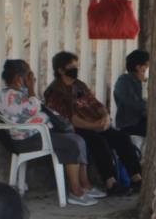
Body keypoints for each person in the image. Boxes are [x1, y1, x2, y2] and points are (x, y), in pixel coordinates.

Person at [0, 59, 101, 208]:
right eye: (29, 75)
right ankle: (75, 191)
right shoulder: (8, 96)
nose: (32, 78)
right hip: (28, 139)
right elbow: (32, 109)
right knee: (73, 143)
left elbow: (36, 108)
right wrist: (32, 88)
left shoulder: (20, 93)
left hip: (38, 134)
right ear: (19, 78)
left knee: (78, 139)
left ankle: (84, 184)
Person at [44, 51, 144, 195]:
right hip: (76, 129)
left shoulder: (79, 86)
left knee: (121, 137)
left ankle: (136, 178)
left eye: (76, 66)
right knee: (98, 141)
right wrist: (95, 126)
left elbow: (96, 104)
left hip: (96, 124)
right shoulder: (55, 92)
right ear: (60, 70)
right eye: (71, 67)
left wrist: (105, 116)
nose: (75, 70)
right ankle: (111, 183)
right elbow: (70, 119)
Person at [113, 49, 150, 136]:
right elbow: (132, 103)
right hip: (130, 124)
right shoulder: (124, 81)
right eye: (147, 65)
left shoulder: (144, 81)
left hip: (142, 121)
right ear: (138, 67)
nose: (148, 68)